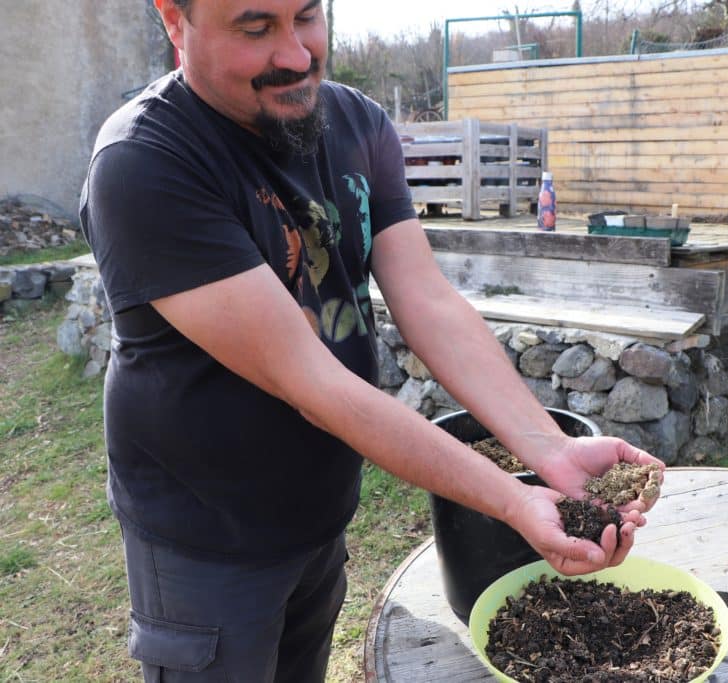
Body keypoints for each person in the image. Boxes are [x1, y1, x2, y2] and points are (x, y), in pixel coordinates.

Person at [80, 0, 664, 680]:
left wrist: (548, 447)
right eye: (255, 26)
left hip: (319, 514)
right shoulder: (146, 162)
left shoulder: (356, 121)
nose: (296, 55)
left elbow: (430, 303)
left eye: (306, 16)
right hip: (207, 540)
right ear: (174, 21)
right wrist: (514, 498)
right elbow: (312, 382)